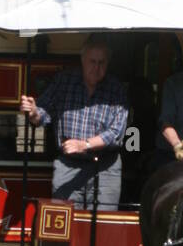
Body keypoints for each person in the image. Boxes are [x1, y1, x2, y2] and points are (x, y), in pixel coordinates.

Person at [20, 37, 129, 211]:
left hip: (105, 166)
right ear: (83, 61)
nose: (96, 67)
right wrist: (33, 112)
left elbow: (116, 133)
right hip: (69, 163)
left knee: (104, 223)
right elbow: (43, 113)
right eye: (92, 61)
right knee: (64, 220)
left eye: (101, 62)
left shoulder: (116, 88)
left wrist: (84, 144)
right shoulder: (64, 81)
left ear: (108, 64)